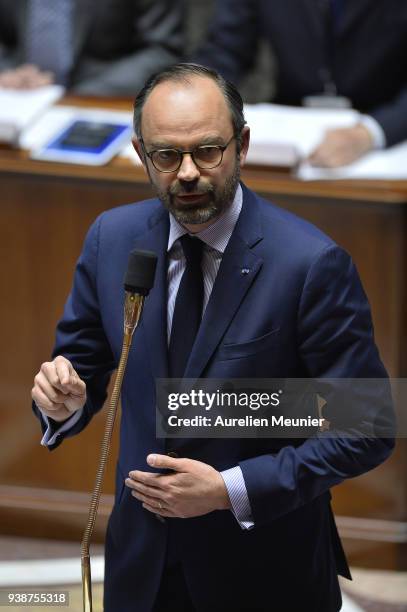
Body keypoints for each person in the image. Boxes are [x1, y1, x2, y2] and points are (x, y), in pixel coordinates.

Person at [31, 63, 394, 611]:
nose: (188, 173)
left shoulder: (310, 265)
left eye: (207, 151)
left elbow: (366, 427)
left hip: (264, 570)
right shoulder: (113, 238)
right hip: (143, 565)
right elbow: (84, 364)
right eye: (167, 156)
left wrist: (231, 489)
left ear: (242, 144)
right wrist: (64, 399)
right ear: (140, 154)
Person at [194, 0, 407, 168]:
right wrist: (189, 98)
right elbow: (226, 51)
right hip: (292, 121)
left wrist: (371, 133)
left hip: (384, 120)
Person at [0, 0, 183, 95]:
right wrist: (6, 73)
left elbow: (164, 49)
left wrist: (81, 94)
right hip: (16, 97)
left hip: (100, 95)